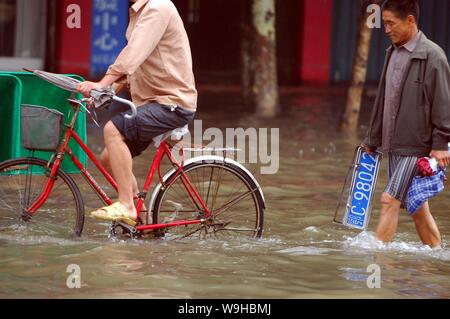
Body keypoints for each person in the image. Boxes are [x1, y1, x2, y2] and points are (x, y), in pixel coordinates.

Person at [77, 0, 197, 226]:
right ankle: (140, 221)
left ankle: (127, 205)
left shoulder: (157, 8)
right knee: (108, 157)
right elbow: (137, 63)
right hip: (154, 102)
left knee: (112, 129)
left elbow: (132, 56)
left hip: (171, 103)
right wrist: (106, 91)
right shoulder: (139, 12)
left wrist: (102, 82)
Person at [362, 0, 450, 248]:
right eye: (384, 24)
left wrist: (441, 142)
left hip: (417, 145)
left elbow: (443, 103)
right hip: (395, 144)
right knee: (417, 206)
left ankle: (376, 259)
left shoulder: (433, 56)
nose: (386, 29)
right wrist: (372, 139)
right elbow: (384, 100)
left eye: (391, 23)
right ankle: (437, 256)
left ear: (410, 20)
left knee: (390, 199)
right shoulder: (392, 53)